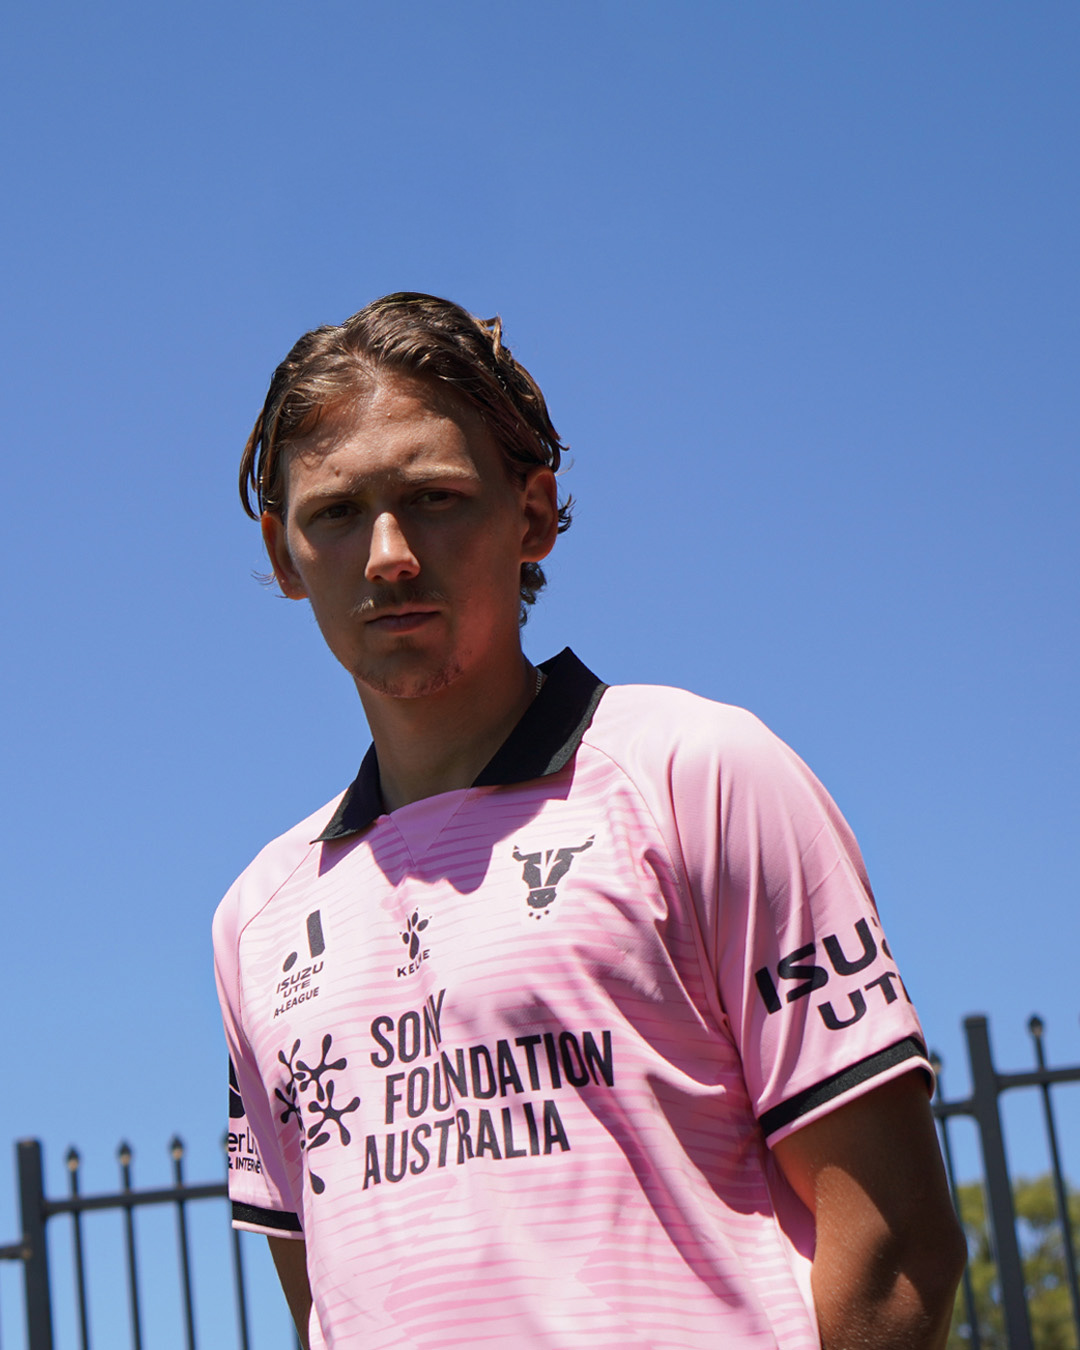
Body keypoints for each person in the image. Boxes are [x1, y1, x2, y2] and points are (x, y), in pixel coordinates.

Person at [214, 292, 965, 1350]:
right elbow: (327, 1309)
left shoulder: (700, 773)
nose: (388, 554)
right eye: (335, 512)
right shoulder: (256, 919)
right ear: (285, 553)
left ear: (531, 514)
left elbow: (897, 1243)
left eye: (433, 497)